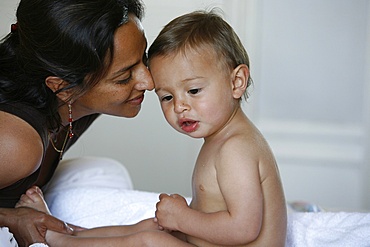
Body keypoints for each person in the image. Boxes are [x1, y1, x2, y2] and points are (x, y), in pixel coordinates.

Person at [0, 0, 155, 246]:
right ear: (62, 87)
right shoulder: (15, 143)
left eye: (144, 57)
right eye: (124, 77)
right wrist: (11, 218)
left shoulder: (80, 95)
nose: (149, 81)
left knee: (108, 172)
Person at [147, 10, 287, 246]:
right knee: (149, 230)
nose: (180, 106)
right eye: (167, 97)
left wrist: (182, 218)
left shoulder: (235, 149)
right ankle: (76, 235)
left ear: (236, 82)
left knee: (147, 240)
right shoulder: (222, 139)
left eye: (193, 91)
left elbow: (243, 228)